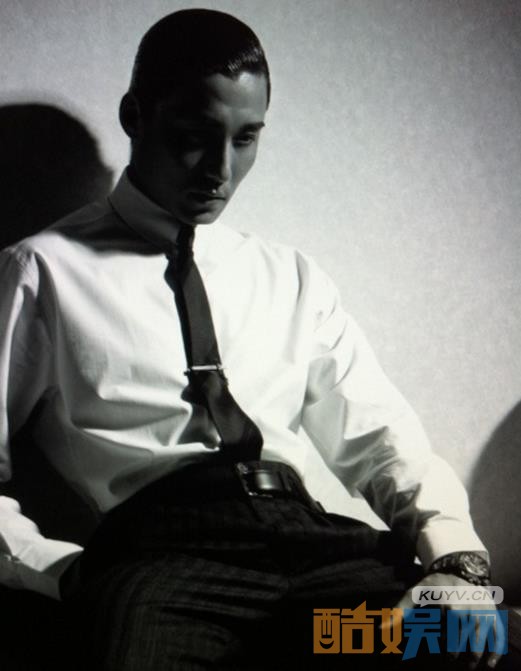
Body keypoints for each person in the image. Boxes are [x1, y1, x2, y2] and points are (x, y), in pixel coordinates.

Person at [0, 9, 503, 670]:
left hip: (320, 555)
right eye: (194, 136)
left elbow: (380, 437)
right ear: (134, 116)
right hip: (163, 567)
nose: (220, 169)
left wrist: (456, 563)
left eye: (246, 138)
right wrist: (59, 569)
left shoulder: (288, 275)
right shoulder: (39, 272)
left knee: (466, 641)